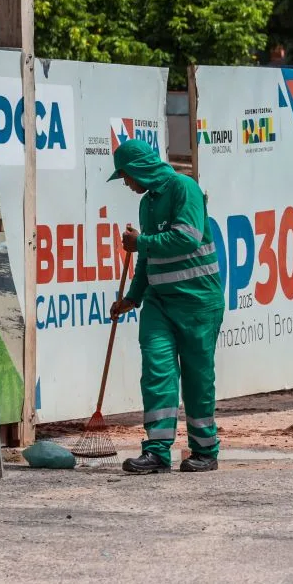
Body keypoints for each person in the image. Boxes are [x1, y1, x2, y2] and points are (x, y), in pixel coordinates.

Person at [108, 138, 224, 475]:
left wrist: (140, 241)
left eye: (127, 175)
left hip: (198, 303)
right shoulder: (147, 205)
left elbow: (187, 237)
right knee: (157, 372)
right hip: (159, 304)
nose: (127, 183)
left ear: (141, 168)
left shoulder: (184, 188)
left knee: (197, 379)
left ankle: (205, 450)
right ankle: (157, 451)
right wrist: (132, 297)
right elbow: (146, 258)